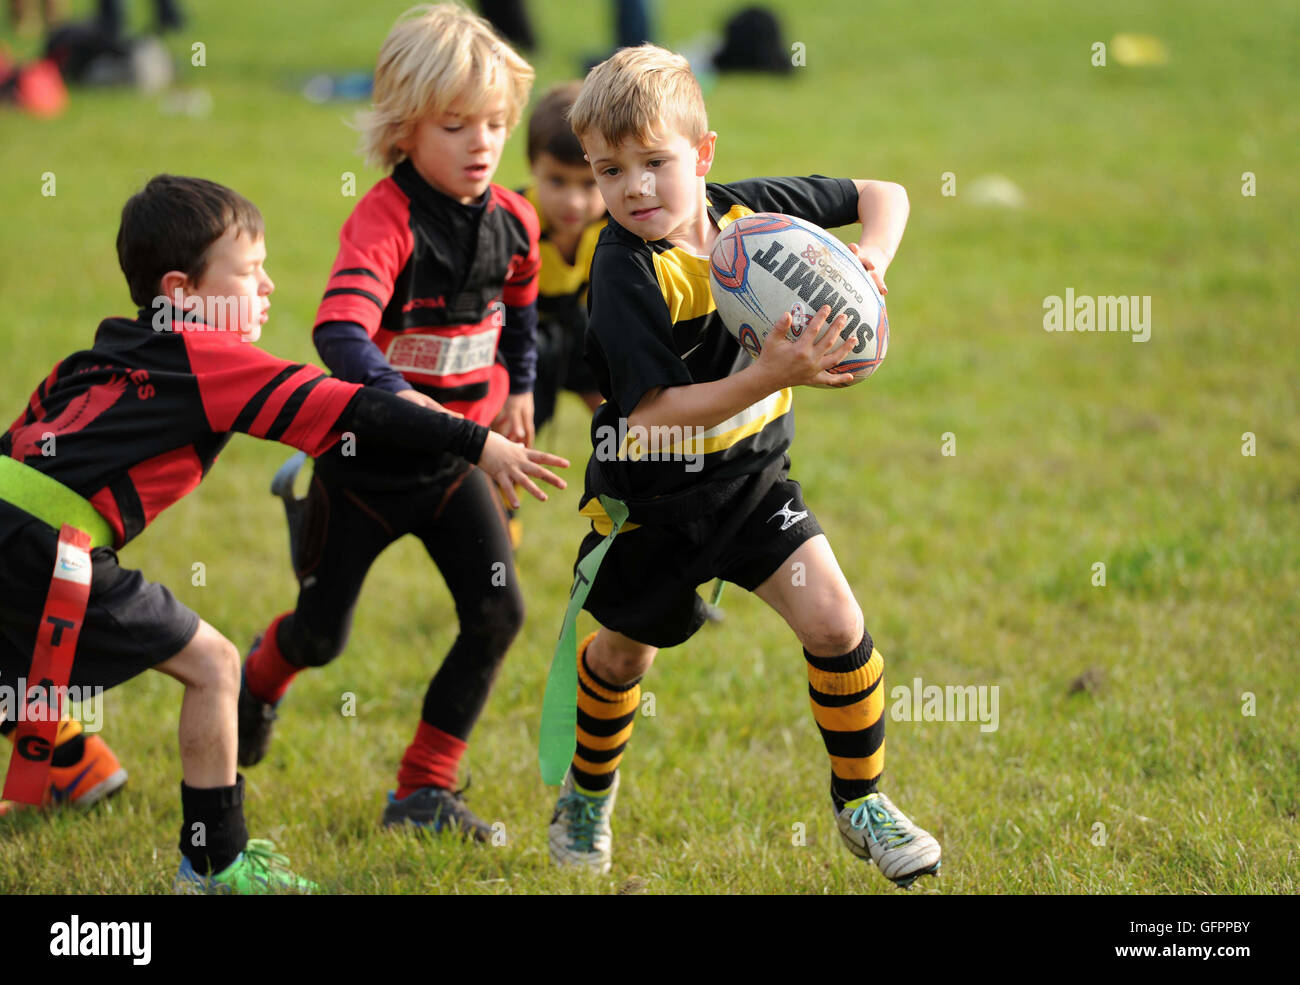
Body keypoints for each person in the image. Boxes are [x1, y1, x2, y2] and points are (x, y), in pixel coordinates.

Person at [0, 173, 563, 892]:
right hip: (46, 545)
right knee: (213, 666)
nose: (267, 287)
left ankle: (75, 772)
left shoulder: (105, 348)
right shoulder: (212, 360)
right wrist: (478, 443)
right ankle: (216, 864)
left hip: (13, 521)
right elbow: (359, 407)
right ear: (182, 291)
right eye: (248, 272)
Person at [542, 44, 942, 888]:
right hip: (652, 503)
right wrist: (769, 375)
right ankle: (586, 791)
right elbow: (648, 421)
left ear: (705, 154)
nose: (636, 189)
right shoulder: (624, 271)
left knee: (836, 624)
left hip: (756, 484)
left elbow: (885, 195)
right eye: (611, 171)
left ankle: (862, 801)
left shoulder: (750, 218)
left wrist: (867, 263)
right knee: (622, 657)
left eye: (656, 163)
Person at [238, 3, 548, 842]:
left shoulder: (516, 220)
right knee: (319, 636)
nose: (482, 143)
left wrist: (518, 384)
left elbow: (523, 305)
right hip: (364, 472)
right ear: (404, 128)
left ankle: (421, 791)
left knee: (497, 615)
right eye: (456, 125)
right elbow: (338, 330)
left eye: (495, 123)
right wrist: (394, 395)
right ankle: (256, 680)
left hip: (455, 471)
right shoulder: (385, 220)